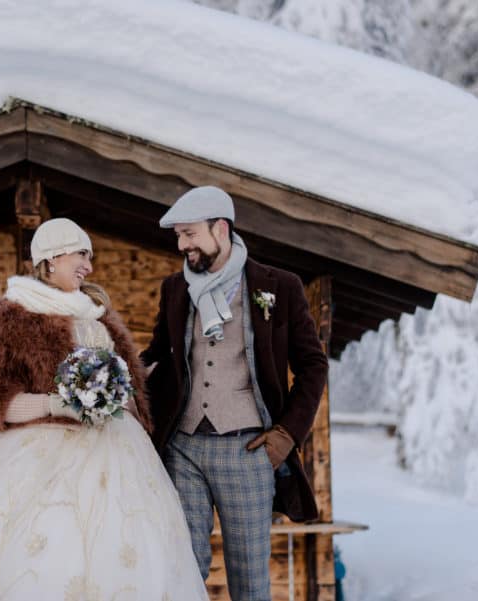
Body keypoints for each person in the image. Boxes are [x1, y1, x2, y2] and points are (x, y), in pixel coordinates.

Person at [0, 218, 208, 601]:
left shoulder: (97, 315)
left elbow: (129, 392)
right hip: (44, 455)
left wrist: (124, 394)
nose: (89, 265)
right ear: (51, 258)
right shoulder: (11, 316)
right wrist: (62, 405)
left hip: (120, 453)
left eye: (91, 256)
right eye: (81, 254)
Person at [142, 186, 329, 601]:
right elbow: (158, 356)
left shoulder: (279, 286)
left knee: (249, 580)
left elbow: (313, 366)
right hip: (183, 447)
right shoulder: (175, 289)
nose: (181, 244)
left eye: (189, 234)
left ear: (220, 229)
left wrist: (285, 435)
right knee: (183, 569)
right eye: (178, 236)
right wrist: (121, 374)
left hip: (248, 450)